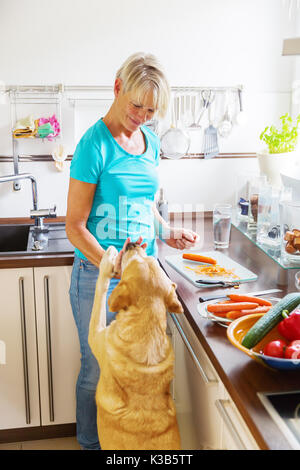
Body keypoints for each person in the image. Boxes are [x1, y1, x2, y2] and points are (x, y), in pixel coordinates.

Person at [66, 52, 200, 450]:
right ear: (117, 88)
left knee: (142, 370)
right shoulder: (94, 145)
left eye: (150, 110)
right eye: (135, 105)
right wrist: (114, 265)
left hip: (146, 275)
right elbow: (73, 226)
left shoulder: (151, 142)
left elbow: (145, 202)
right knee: (97, 369)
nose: (141, 115)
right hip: (101, 277)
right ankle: (92, 445)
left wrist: (167, 229)